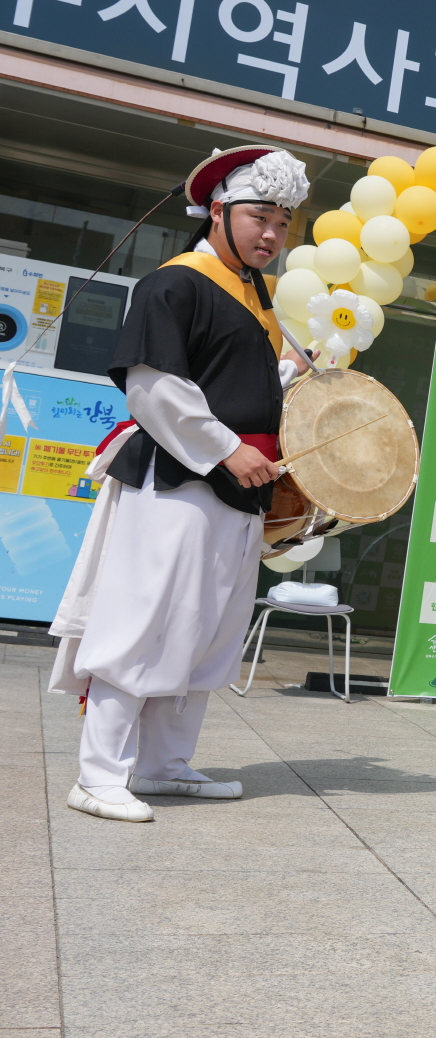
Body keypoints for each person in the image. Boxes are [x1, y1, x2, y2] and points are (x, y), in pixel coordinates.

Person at [48, 145, 313, 822]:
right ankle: (98, 774)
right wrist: (226, 450)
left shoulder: (257, 296)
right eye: (260, 218)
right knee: (147, 621)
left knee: (207, 629)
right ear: (217, 212)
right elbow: (154, 386)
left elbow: (236, 383)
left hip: (237, 486)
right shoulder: (175, 283)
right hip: (178, 480)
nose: (272, 236)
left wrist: (293, 378)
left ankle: (164, 764)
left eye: (283, 224)